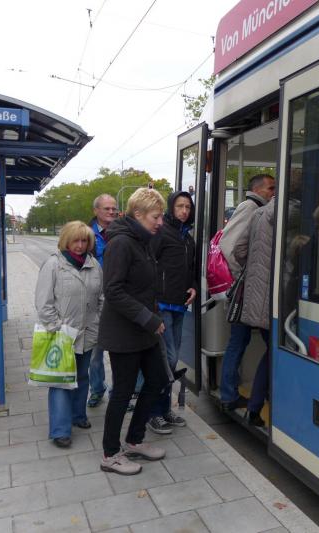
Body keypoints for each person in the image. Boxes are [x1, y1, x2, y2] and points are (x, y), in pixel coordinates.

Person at [98, 188, 170, 475]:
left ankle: (134, 440)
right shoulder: (121, 243)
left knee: (157, 380)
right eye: (156, 217)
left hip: (143, 331)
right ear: (138, 214)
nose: (160, 222)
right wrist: (148, 318)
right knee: (123, 392)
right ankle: (110, 454)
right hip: (124, 333)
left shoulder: (142, 240)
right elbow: (113, 291)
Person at [34, 221, 102, 448]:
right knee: (61, 382)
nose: (80, 245)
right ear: (66, 241)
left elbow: (101, 298)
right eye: (76, 241)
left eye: (84, 241)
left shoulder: (94, 265)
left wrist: (98, 322)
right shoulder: (53, 265)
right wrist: (56, 328)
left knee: (82, 377)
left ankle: (78, 415)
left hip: (88, 333)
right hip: (62, 335)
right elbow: (43, 303)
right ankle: (60, 430)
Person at [218, 174, 276, 411]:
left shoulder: (257, 208)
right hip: (246, 290)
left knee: (243, 341)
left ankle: (233, 394)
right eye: (271, 188)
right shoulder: (251, 207)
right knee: (243, 342)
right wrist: (244, 275)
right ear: (258, 189)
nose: (274, 192)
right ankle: (230, 394)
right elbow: (229, 247)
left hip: (249, 289)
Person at [146, 191, 197, 434]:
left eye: (188, 207)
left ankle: (164, 409)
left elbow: (192, 270)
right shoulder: (162, 232)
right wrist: (153, 301)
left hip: (180, 305)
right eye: (180, 206)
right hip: (162, 305)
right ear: (171, 208)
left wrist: (194, 287)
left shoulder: (188, 238)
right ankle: (153, 413)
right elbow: (149, 265)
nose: (184, 211)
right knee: (167, 358)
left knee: (172, 360)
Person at [240, 198, 276, 427]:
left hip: (256, 297)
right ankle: (255, 407)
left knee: (272, 351)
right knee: (274, 352)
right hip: (275, 299)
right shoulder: (294, 212)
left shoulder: (259, 213)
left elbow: (239, 249)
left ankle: (257, 405)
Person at [87, 194, 117, 408]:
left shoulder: (123, 232)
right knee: (94, 353)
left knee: (119, 351)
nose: (111, 212)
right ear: (96, 211)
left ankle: (119, 392)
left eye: (114, 208)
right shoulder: (86, 234)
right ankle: (97, 389)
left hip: (118, 299)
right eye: (107, 208)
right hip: (95, 301)